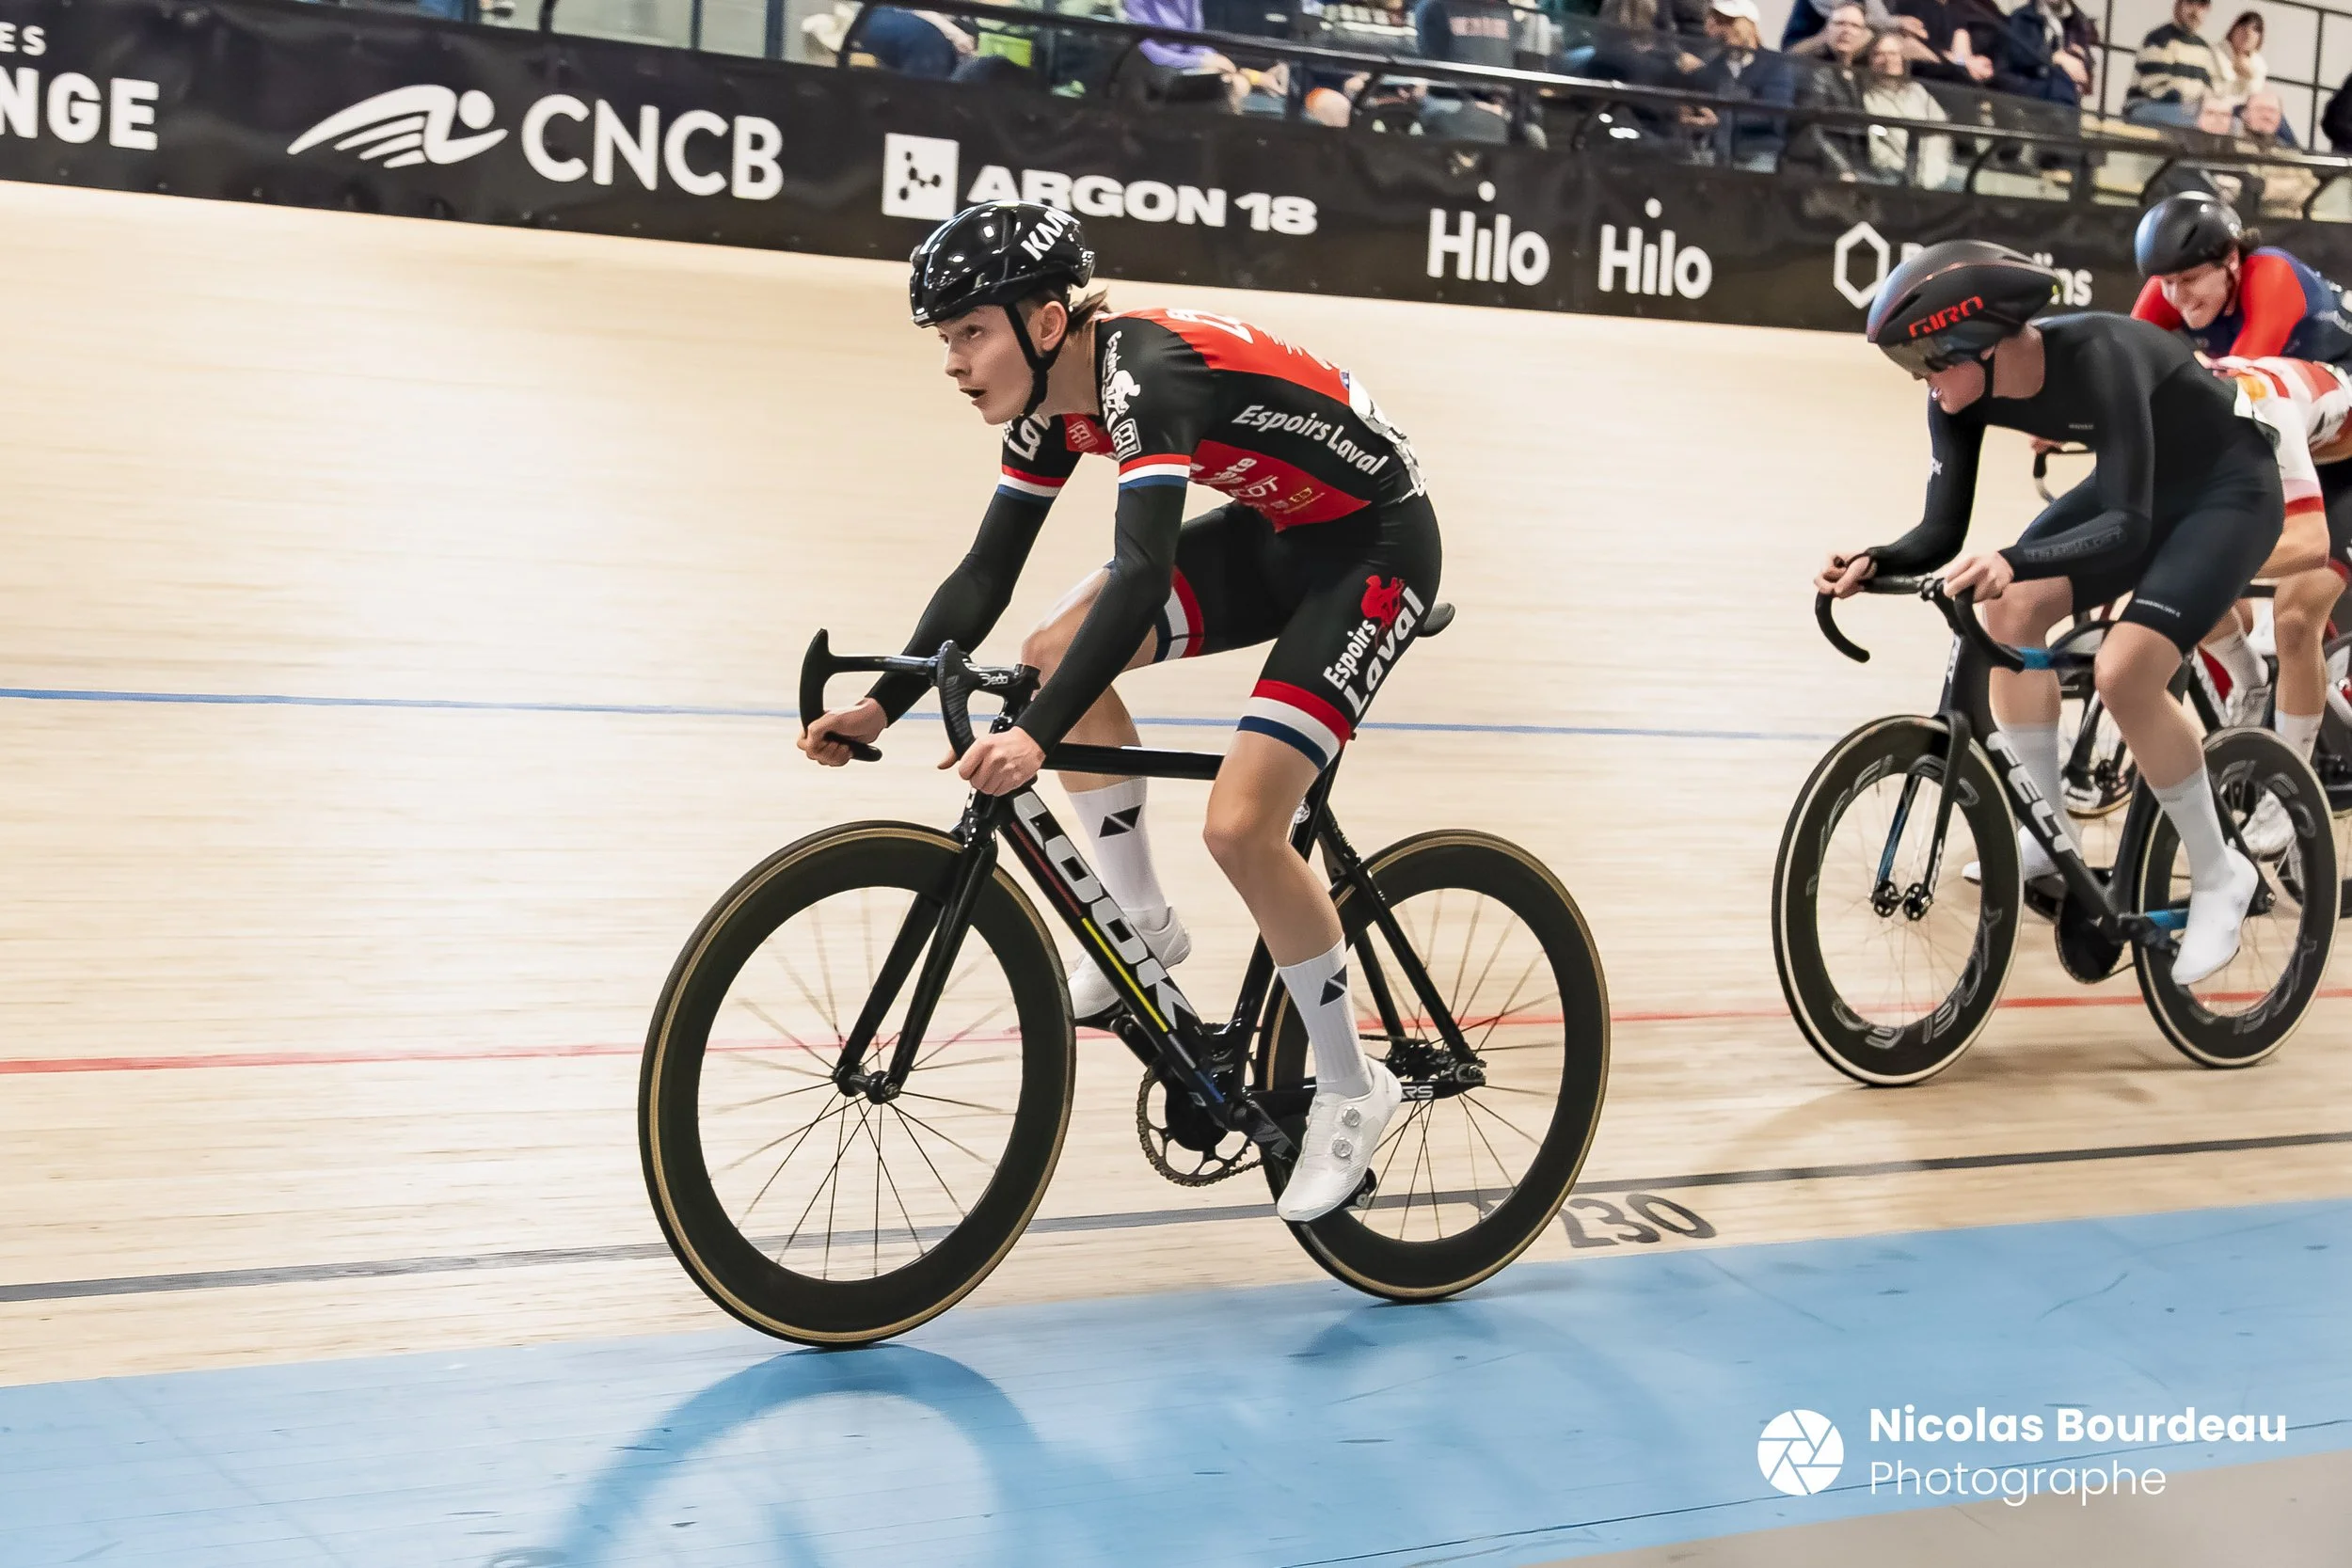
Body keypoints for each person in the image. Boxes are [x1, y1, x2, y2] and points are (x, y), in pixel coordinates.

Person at [801, 203, 1440, 1222]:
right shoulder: (1049, 403)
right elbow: (986, 573)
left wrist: (1036, 736)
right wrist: (882, 704)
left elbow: (1142, 576)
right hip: (1281, 531)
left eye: (971, 332)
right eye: (944, 339)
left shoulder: (1144, 375)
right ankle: (1138, 918)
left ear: (1046, 321)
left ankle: (1356, 1089)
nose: (955, 360)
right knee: (1054, 652)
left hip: (1374, 550)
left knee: (1241, 826)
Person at [1820, 241, 2284, 984]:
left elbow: (2129, 525)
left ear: (1984, 342)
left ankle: (2221, 870)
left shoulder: (2103, 353)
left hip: (2229, 492)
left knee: (2125, 671)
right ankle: (2046, 831)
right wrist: (1877, 559)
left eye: (1931, 363)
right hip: (2143, 489)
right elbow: (1942, 531)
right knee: (2004, 612)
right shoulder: (1960, 397)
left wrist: (2014, 559)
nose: (1925, 383)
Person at [2205, 354, 2348, 851]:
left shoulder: (2261, 405)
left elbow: (2308, 542)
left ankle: (2292, 790)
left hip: (2343, 473)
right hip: (2290, 456)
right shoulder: (2162, 417)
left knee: (2295, 617)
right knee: (2186, 586)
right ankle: (2252, 683)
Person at [1680, 0, 1796, 169]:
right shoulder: (1711, 69)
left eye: (1729, 21)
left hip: (1757, 152)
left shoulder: (1775, 65)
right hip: (1714, 155)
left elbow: (1777, 114)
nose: (1724, 29)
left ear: (1750, 25)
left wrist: (1721, 121)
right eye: (1718, 21)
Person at [1788, 3, 1873, 178]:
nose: (1846, 31)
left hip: (1857, 170)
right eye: (1839, 23)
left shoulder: (1863, 77)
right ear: (1827, 30)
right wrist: (1842, 169)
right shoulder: (1812, 70)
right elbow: (1812, 127)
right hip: (1819, 172)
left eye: (1854, 26)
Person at [1861, 28, 1952, 187]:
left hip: (1937, 176)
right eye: (1879, 54)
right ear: (1870, 61)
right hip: (1892, 180)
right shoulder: (1864, 97)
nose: (1887, 59)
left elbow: (1941, 130)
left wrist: (1935, 169)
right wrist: (1906, 172)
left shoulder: (1918, 91)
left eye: (1893, 53)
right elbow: (1875, 146)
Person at [2123, 0, 2222, 128]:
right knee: (2196, 123)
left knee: (2231, 125)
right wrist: (2191, 107)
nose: (2195, 11)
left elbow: (2208, 88)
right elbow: (2157, 89)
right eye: (2191, 3)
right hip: (2146, 107)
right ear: (2178, 5)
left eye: (2202, 5)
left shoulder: (2204, 47)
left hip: (2184, 111)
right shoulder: (2159, 39)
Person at [2212, 8, 2265, 104]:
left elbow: (2256, 97)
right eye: (2244, 26)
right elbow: (2214, 91)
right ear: (2233, 30)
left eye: (2255, 30)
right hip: (2218, 108)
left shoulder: (2258, 63)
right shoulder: (2215, 53)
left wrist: (2248, 78)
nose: (2248, 33)